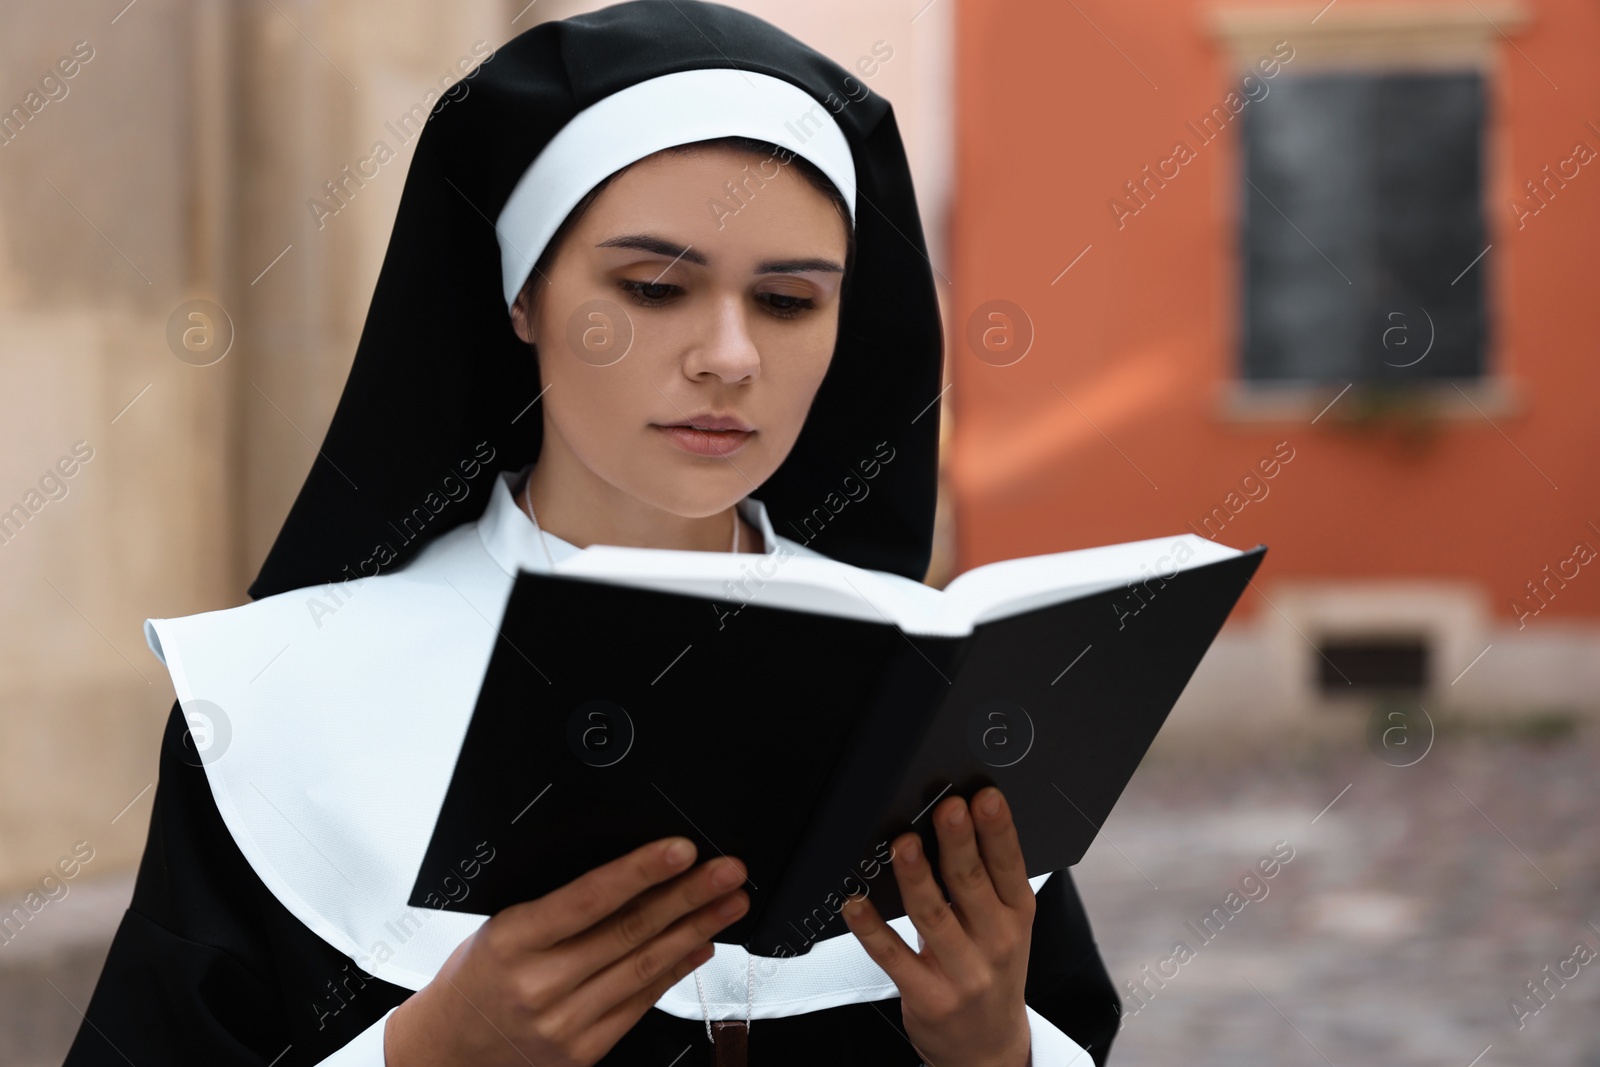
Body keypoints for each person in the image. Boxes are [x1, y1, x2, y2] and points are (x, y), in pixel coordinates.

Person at [63, 3, 1121, 1064]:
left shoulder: (927, 681)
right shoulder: (282, 693)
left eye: (790, 300)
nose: (728, 355)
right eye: (653, 287)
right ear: (522, 294)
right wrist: (424, 1054)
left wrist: (995, 1049)